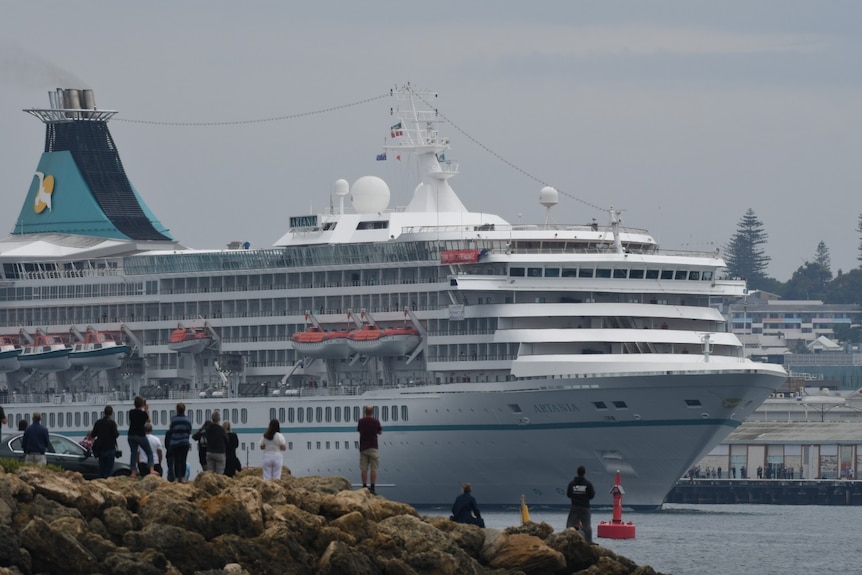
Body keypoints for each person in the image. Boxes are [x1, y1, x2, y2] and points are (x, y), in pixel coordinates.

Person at [566, 465, 596, 543]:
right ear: (584, 473)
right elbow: (592, 495)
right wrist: (584, 498)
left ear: (577, 472)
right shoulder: (588, 484)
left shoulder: (572, 484)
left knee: (570, 525)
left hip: (575, 507)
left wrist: (575, 497)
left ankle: (567, 540)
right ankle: (588, 542)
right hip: (585, 507)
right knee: (587, 526)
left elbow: (568, 494)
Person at [89, 405, 119, 479]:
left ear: (104, 413)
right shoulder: (112, 423)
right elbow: (116, 435)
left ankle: (101, 482)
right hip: (110, 448)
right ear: (111, 413)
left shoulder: (98, 422)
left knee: (102, 469)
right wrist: (116, 428)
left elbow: (93, 434)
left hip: (101, 449)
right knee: (109, 470)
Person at [357, 405, 382, 494]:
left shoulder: (361, 421)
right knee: (373, 468)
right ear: (372, 412)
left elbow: (359, 431)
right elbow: (380, 432)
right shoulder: (376, 421)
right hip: (373, 447)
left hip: (363, 447)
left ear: (365, 412)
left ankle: (364, 486)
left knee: (364, 468)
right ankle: (372, 488)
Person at [128, 396, 154, 478]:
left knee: (133, 453)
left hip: (131, 435)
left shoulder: (131, 412)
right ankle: (151, 470)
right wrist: (146, 410)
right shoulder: (143, 413)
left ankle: (133, 473)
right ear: (143, 404)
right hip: (140, 435)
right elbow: (148, 421)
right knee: (149, 452)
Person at [166, 402, 192, 483]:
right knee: (183, 460)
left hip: (175, 442)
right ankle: (183, 478)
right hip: (184, 442)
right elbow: (189, 430)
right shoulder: (188, 420)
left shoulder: (173, 419)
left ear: (177, 410)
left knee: (177, 460)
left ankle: (177, 478)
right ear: (184, 410)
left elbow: (171, 430)